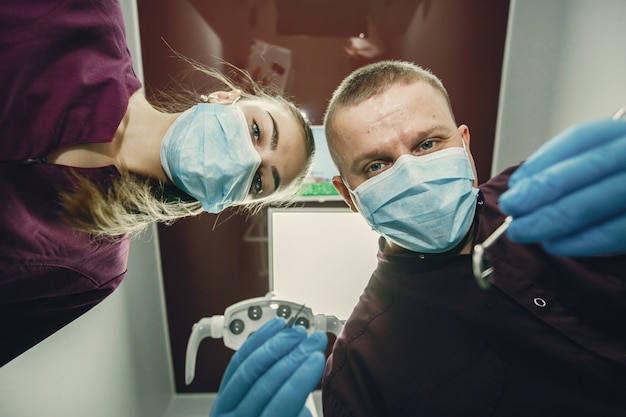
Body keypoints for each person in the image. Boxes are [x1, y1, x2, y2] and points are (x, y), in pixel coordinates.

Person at [0, 0, 317, 374]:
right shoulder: (87, 17)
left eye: (259, 181)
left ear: (227, 202)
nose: (248, 159)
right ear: (223, 98)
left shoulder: (95, 269)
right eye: (256, 131)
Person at [319, 60, 626, 416]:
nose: (413, 174)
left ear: (464, 144)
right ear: (347, 195)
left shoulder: (556, 192)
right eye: (376, 165)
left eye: (427, 144)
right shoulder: (362, 369)